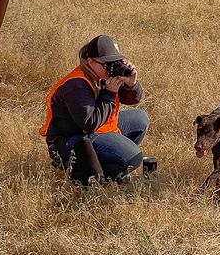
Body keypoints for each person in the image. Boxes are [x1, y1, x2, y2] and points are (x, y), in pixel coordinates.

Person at [41, 35, 148, 183]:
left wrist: (131, 84)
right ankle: (100, 174)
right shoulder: (77, 85)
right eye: (106, 63)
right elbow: (90, 123)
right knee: (133, 156)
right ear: (90, 61)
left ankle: (110, 160)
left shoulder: (103, 74)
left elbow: (132, 100)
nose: (111, 67)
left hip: (97, 129)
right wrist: (109, 93)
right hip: (71, 142)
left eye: (114, 62)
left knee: (140, 119)